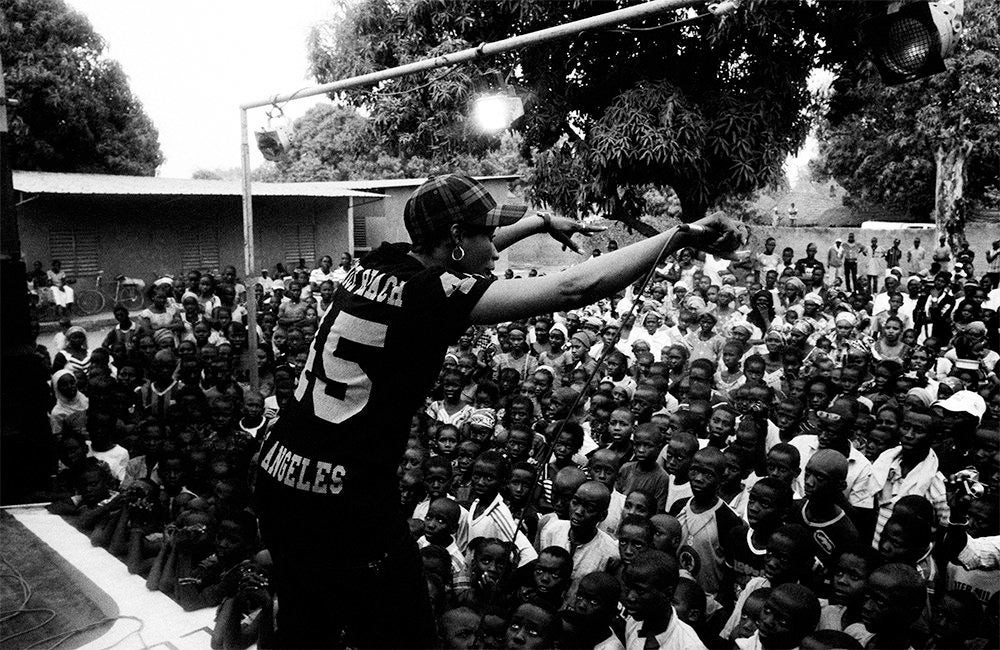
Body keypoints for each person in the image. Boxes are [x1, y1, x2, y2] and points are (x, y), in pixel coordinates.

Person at [249, 173, 743, 646]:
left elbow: (464, 253)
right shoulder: (432, 293)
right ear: (458, 238)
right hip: (342, 496)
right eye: (487, 232)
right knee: (405, 635)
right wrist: (678, 236)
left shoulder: (377, 263)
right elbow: (575, 289)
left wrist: (540, 224)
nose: (494, 245)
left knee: (303, 621)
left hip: (279, 476)